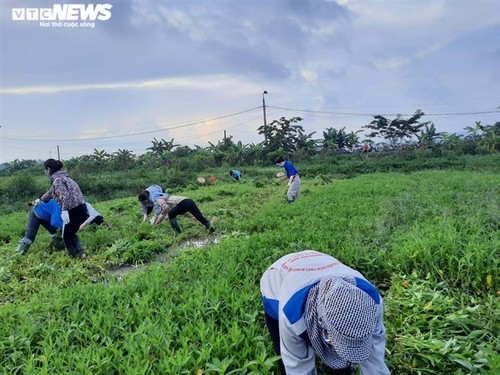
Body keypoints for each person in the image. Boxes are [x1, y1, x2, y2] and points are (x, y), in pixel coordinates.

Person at [260, 250, 390, 375]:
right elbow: (297, 367)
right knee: (284, 354)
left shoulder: (373, 302)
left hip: (320, 263)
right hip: (277, 279)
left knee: (344, 355)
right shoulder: (292, 315)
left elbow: (375, 361)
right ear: (322, 323)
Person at [37, 159, 88, 259]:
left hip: (72, 209)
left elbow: (65, 196)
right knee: (70, 233)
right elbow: (51, 192)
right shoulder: (66, 178)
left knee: (67, 236)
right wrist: (39, 200)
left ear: (48, 169)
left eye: (45, 169)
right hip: (81, 207)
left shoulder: (57, 180)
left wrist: (64, 211)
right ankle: (81, 255)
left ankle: (75, 257)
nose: (45, 172)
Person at [150, 192, 215, 234]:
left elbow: (165, 209)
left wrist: (167, 214)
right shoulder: (167, 197)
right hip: (189, 201)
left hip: (183, 203)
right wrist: (157, 223)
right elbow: (163, 213)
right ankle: (211, 228)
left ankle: (178, 233)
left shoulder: (159, 199)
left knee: (171, 214)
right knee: (199, 216)